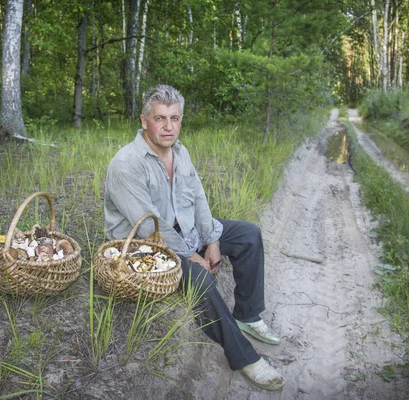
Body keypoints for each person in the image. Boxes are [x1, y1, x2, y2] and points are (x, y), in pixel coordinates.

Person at [103, 84, 284, 391]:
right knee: (199, 278)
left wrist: (212, 240)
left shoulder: (180, 152)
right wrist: (192, 255)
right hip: (145, 249)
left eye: (174, 118)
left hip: (182, 234)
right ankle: (244, 357)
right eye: (160, 118)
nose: (168, 126)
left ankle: (248, 314)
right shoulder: (126, 163)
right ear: (144, 120)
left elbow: (198, 197)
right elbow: (151, 227)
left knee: (248, 235)